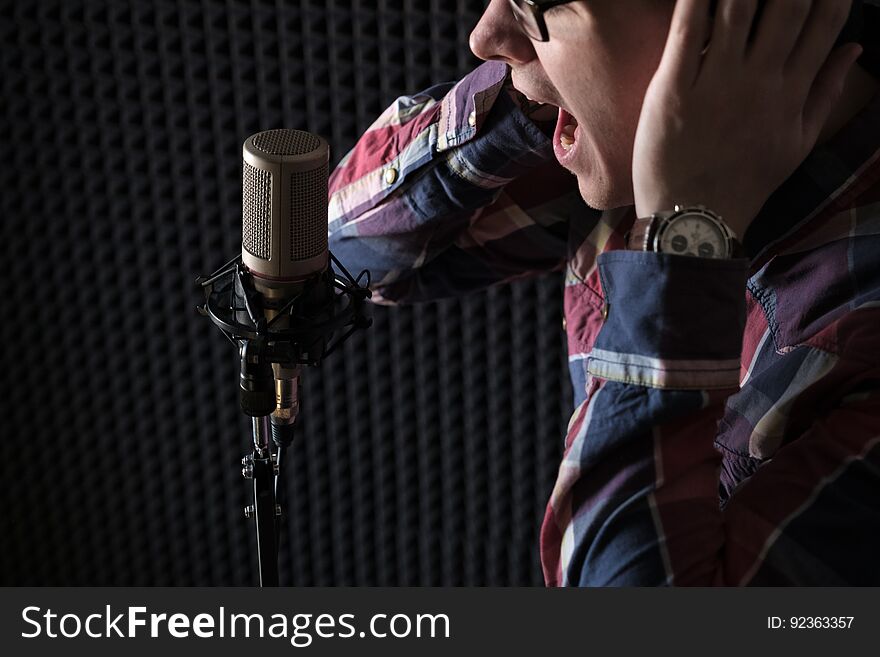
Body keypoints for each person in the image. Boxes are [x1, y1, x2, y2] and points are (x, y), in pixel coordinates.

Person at [327, 0, 880, 585]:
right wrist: (538, 88)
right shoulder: (630, 148)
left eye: (537, 7)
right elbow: (346, 257)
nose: (485, 39)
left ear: (734, 18)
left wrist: (682, 235)